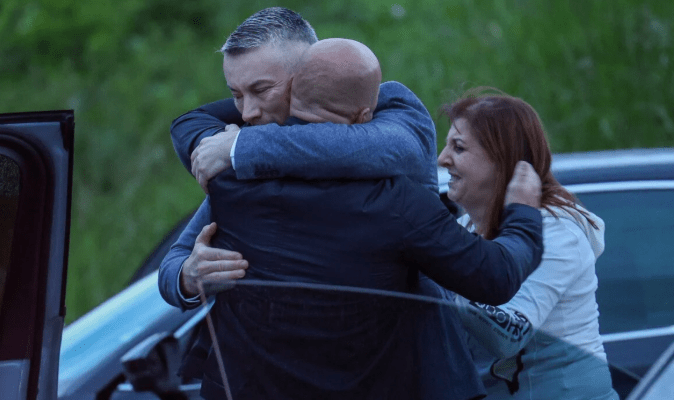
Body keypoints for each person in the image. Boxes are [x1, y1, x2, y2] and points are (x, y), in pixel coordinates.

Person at [159, 8, 543, 400]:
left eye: (261, 90)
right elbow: (175, 258)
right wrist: (188, 277)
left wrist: (241, 147)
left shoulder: (388, 123)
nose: (247, 113)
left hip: (402, 370)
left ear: (305, 74)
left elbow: (403, 148)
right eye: (236, 95)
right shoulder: (240, 174)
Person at [438, 88, 620, 399]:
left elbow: (509, 333)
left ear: (502, 159)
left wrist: (440, 274)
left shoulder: (557, 230)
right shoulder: (466, 226)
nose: (442, 159)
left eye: (458, 147)